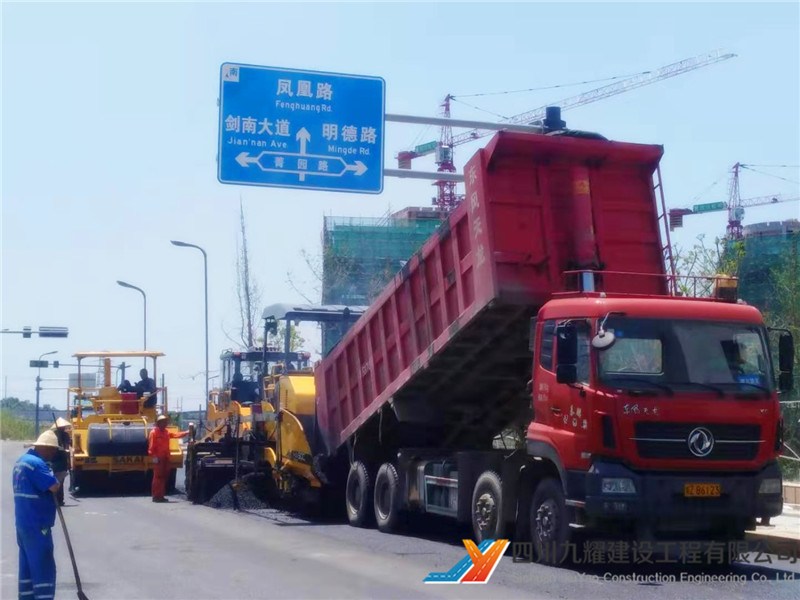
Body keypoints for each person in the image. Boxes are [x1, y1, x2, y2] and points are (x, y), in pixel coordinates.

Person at [13, 430, 61, 600]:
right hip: (37, 525)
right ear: (45, 448)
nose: (54, 453)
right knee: (43, 567)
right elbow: (53, 486)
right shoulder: (37, 464)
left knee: (27, 567)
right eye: (53, 449)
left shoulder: (21, 462)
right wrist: (54, 475)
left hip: (23, 525)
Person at [148, 414, 188, 503]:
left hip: (166, 458)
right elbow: (151, 448)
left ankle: (161, 496)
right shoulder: (154, 433)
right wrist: (154, 458)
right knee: (158, 478)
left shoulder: (166, 432)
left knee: (163, 478)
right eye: (163, 422)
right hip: (158, 459)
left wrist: (186, 432)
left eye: (165, 422)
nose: (165, 424)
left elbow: (176, 435)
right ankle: (156, 496)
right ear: (158, 423)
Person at [48, 418, 72, 504]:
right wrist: (69, 461)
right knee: (61, 479)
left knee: (56, 478)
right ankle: (59, 499)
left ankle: (57, 498)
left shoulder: (53, 435)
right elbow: (67, 449)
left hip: (54, 459)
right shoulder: (65, 435)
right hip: (62, 459)